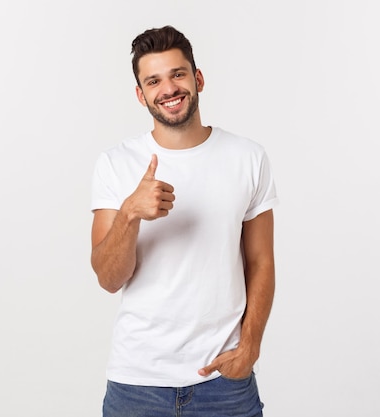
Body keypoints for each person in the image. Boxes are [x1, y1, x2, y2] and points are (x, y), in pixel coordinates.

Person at [90, 25, 278, 417]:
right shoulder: (116, 163)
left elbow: (261, 261)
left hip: (224, 383)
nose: (169, 88)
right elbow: (109, 279)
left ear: (198, 78)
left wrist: (249, 349)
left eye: (178, 74)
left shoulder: (247, 157)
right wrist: (129, 213)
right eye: (154, 80)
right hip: (136, 384)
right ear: (141, 95)